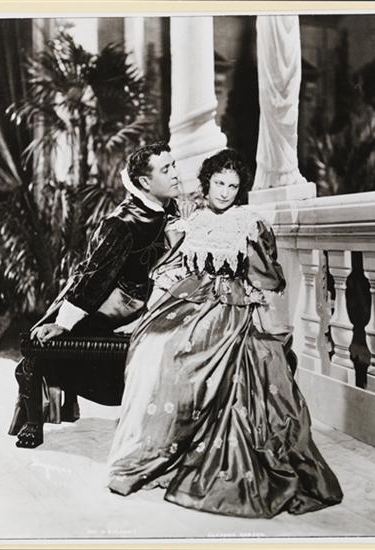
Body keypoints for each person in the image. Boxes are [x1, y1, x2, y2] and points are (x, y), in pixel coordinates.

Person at [106, 149, 343, 518]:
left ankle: (194, 449)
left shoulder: (249, 223)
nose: (224, 192)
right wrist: (152, 308)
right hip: (190, 300)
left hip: (230, 306)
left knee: (200, 353)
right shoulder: (192, 221)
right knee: (155, 344)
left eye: (232, 186)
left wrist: (250, 295)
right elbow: (172, 269)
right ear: (208, 183)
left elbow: (268, 278)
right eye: (219, 183)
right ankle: (160, 447)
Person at [9, 142, 183, 448]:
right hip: (105, 313)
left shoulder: (166, 208)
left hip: (146, 305)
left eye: (174, 165)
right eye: (166, 169)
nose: (175, 174)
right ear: (145, 182)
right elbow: (93, 276)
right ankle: (35, 421)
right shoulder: (122, 223)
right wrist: (63, 323)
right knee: (39, 355)